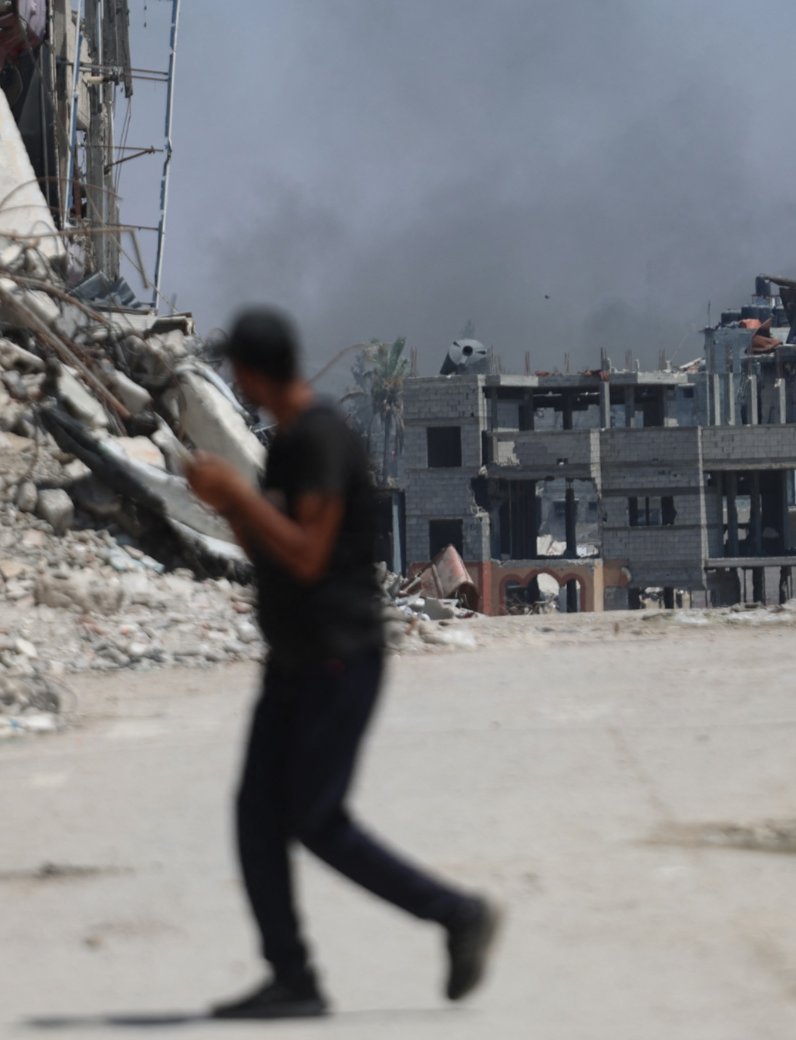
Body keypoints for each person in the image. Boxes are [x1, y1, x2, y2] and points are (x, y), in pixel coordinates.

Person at [185, 307, 500, 1020]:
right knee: (257, 816)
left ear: (256, 372)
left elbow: (308, 553)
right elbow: (273, 546)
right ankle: (291, 976)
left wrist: (236, 495)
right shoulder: (292, 443)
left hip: (336, 655)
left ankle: (455, 914)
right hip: (295, 655)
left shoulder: (321, 439)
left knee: (315, 819)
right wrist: (230, 506)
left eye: (238, 369)